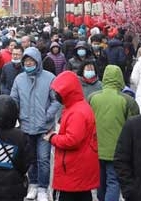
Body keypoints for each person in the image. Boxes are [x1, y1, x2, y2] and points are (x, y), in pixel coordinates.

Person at [10, 47, 60, 201]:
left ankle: (43, 188)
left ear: (38, 62)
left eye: (32, 61)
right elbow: (14, 100)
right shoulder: (19, 79)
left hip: (45, 127)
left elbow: (56, 100)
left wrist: (48, 115)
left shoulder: (50, 77)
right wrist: (16, 114)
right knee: (30, 158)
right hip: (26, 125)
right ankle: (33, 184)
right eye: (26, 62)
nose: (29, 64)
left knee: (44, 159)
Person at [46, 71, 100, 201]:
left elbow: (72, 140)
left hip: (72, 170)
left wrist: (52, 138)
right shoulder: (79, 106)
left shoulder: (76, 112)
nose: (57, 96)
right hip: (80, 168)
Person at [88, 65, 139, 201]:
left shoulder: (93, 97)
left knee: (100, 180)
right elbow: (134, 126)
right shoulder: (127, 100)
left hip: (96, 148)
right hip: (118, 150)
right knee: (113, 181)